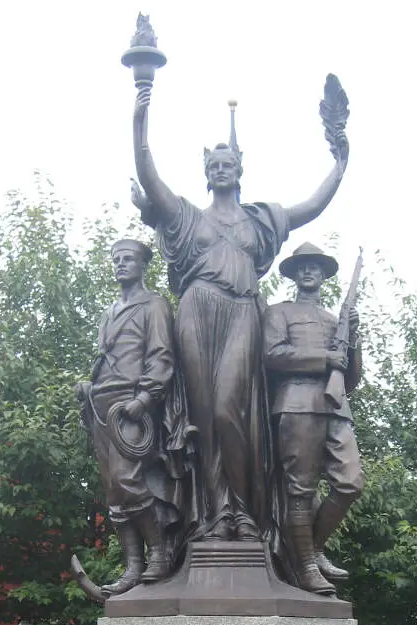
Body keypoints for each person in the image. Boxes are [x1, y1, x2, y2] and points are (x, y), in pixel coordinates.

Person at [131, 84, 349, 541]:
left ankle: (245, 510)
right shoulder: (188, 217)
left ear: (240, 170)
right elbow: (149, 173)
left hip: (242, 314)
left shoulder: (260, 220)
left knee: (233, 413)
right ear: (206, 174)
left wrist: (340, 162)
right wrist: (140, 115)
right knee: (205, 415)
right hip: (197, 311)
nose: (221, 169)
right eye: (214, 165)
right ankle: (213, 514)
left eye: (228, 164)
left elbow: (312, 205)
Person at [77, 239, 186, 595]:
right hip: (101, 404)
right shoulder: (109, 311)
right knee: (113, 491)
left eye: (128, 259)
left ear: (143, 265)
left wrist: (144, 398)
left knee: (128, 481)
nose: (121, 265)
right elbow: (104, 356)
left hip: (131, 405)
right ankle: (132, 567)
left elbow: (162, 357)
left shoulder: (154, 305)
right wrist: (88, 384)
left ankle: (158, 553)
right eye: (116, 259)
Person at [263, 242, 365, 595]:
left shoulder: (334, 320)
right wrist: (325, 358)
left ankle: (313, 547)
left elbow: (351, 380)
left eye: (315, 267)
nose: (309, 271)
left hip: (335, 407)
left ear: (323, 275)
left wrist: (354, 336)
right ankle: (305, 566)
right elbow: (273, 355)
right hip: (296, 403)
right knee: (300, 490)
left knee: (350, 482)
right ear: (294, 274)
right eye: (302, 266)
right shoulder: (279, 313)